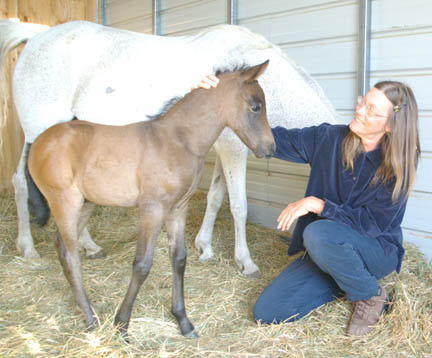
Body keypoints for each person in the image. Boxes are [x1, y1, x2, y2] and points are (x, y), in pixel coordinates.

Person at [196, 75, 420, 336]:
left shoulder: (399, 163)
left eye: (371, 110)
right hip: (326, 249)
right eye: (363, 102)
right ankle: (343, 276)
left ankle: (370, 295)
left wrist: (319, 205)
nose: (359, 110)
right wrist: (218, 101)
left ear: (391, 125)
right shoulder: (329, 138)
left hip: (375, 250)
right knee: (268, 312)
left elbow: (373, 224)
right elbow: (271, 140)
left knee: (318, 232)